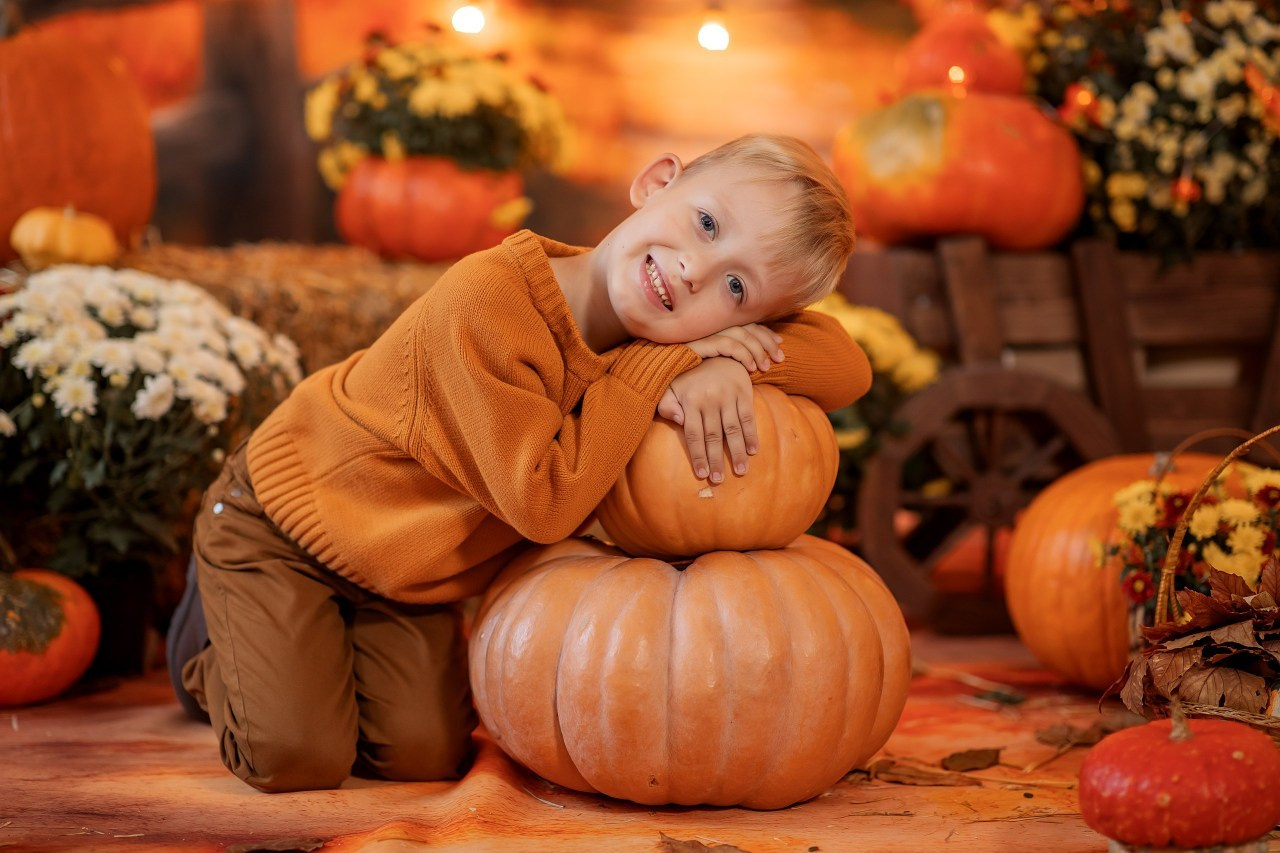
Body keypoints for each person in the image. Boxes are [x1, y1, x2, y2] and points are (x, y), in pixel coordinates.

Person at [167, 133, 874, 793]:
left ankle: (306, 650)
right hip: (292, 517)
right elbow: (544, 503)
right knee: (297, 755)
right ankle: (207, 643)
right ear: (657, 182)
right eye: (708, 225)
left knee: (423, 755)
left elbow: (847, 368)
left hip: (405, 575)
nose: (696, 269)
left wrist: (722, 355)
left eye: (738, 290)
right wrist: (675, 360)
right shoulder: (491, 304)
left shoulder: (654, 327)